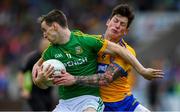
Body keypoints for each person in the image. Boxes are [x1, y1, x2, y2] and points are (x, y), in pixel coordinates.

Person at [32, 9, 163, 112]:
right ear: (108, 22)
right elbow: (38, 65)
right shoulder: (91, 41)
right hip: (98, 104)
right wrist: (39, 79)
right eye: (115, 21)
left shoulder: (125, 51)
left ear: (126, 31)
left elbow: (106, 78)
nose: (117, 26)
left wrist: (142, 70)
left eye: (122, 24)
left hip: (122, 103)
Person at [17, 38, 54, 111]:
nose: (45, 47)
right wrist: (22, 89)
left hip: (48, 92)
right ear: (40, 46)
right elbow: (21, 73)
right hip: (35, 93)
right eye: (44, 45)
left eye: (48, 45)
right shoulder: (32, 57)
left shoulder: (52, 56)